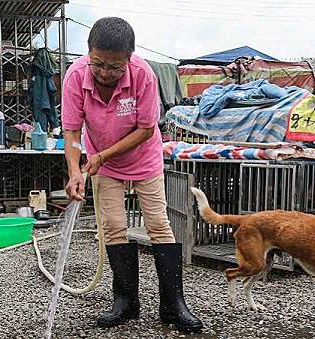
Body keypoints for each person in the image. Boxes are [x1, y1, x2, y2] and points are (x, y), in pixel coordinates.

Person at [61, 17, 203, 333]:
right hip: (103, 163)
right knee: (113, 225)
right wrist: (74, 171)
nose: (105, 72)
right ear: (88, 53)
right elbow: (72, 131)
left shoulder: (143, 75)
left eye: (115, 66)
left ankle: (173, 304)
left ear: (129, 57)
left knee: (158, 224)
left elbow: (145, 129)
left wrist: (100, 156)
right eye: (98, 64)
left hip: (142, 158)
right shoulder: (75, 76)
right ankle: (125, 301)